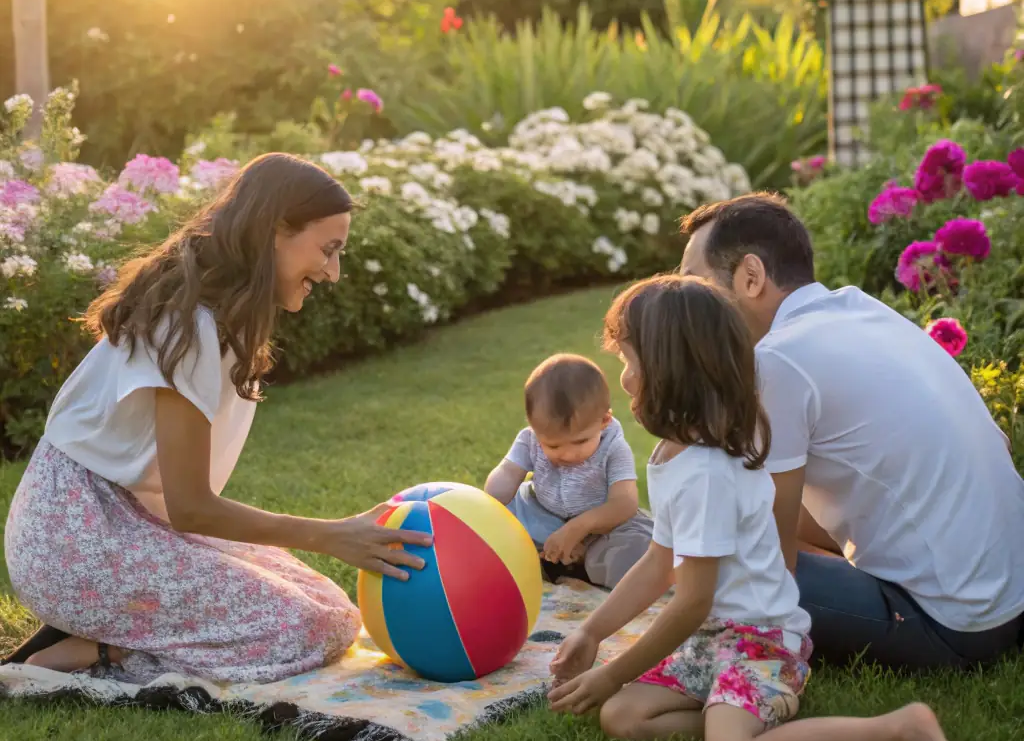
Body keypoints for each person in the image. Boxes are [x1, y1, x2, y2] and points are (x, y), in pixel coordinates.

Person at [2, 153, 430, 683]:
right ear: (276, 230)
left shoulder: (216, 318)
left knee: (330, 608)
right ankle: (92, 655)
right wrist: (329, 534)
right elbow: (192, 509)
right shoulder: (189, 326)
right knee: (303, 628)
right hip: (73, 538)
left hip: (125, 523)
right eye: (328, 250)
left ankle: (102, 633)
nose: (333, 272)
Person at [548, 275, 967, 741]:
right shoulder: (672, 455)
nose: (626, 379)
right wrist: (592, 633)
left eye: (630, 362)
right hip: (713, 639)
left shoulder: (705, 473)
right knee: (621, 716)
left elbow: (691, 601)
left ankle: (899, 730)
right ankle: (734, 716)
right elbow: (659, 563)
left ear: (667, 370)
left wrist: (612, 672)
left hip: (761, 644)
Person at [678, 192, 1024, 671]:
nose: (686, 304)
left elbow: (774, 561)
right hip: (1012, 589)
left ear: (751, 277)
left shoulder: (777, 360)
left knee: (715, 564)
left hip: (955, 623)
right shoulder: (861, 309)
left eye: (696, 284)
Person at [485, 354, 653, 588]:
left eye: (580, 442)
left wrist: (579, 528)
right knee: (496, 527)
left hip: (600, 526)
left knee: (639, 551)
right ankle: (546, 560)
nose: (567, 454)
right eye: (552, 445)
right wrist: (489, 504)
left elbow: (624, 503)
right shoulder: (529, 439)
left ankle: (578, 565)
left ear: (604, 421)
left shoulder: (613, 447)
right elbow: (507, 473)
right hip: (542, 515)